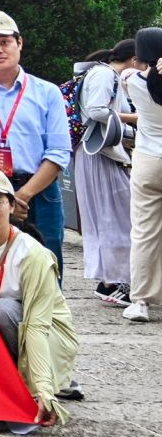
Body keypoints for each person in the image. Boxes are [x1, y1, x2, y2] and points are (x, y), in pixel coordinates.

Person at [0, 166, 79, 431]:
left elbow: (36, 326)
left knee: (3, 309)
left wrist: (43, 389)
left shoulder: (33, 255)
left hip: (46, 333)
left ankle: (22, 386)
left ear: (12, 205)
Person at [0, 10, 70, 273]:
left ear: (19, 43)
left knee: (47, 260)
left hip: (40, 191)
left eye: (4, 42)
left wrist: (21, 195)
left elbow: (58, 151)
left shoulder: (48, 92)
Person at [73, 40, 137, 306]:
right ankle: (115, 282)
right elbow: (97, 110)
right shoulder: (104, 74)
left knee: (113, 217)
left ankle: (112, 280)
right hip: (100, 154)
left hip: (101, 154)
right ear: (134, 60)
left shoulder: (102, 73)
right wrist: (137, 119)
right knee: (116, 218)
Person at [124, 27, 162, 323]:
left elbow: (129, 73)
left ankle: (140, 301)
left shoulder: (131, 81)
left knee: (145, 232)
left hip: (148, 159)